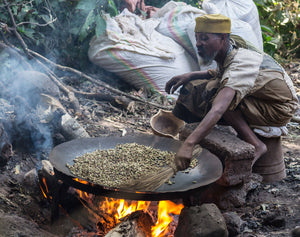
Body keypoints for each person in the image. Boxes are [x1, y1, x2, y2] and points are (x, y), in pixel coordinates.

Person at [165, 14, 299, 171]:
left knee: (217, 96)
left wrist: (189, 144)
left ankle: (256, 145)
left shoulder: (242, 62)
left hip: (278, 108)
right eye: (197, 38)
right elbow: (222, 72)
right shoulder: (230, 46)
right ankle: (199, 133)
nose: (198, 44)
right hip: (262, 97)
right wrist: (192, 74)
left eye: (205, 39)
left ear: (222, 38)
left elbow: (219, 108)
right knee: (196, 86)